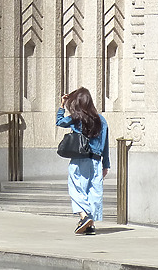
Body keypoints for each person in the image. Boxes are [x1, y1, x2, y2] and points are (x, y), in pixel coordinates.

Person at [56, 87, 110, 235]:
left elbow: (59, 122)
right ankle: (90, 225)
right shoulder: (101, 120)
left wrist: (62, 105)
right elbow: (105, 144)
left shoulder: (76, 118)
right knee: (93, 192)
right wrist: (106, 165)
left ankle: (84, 217)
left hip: (80, 159)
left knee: (76, 188)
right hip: (96, 161)